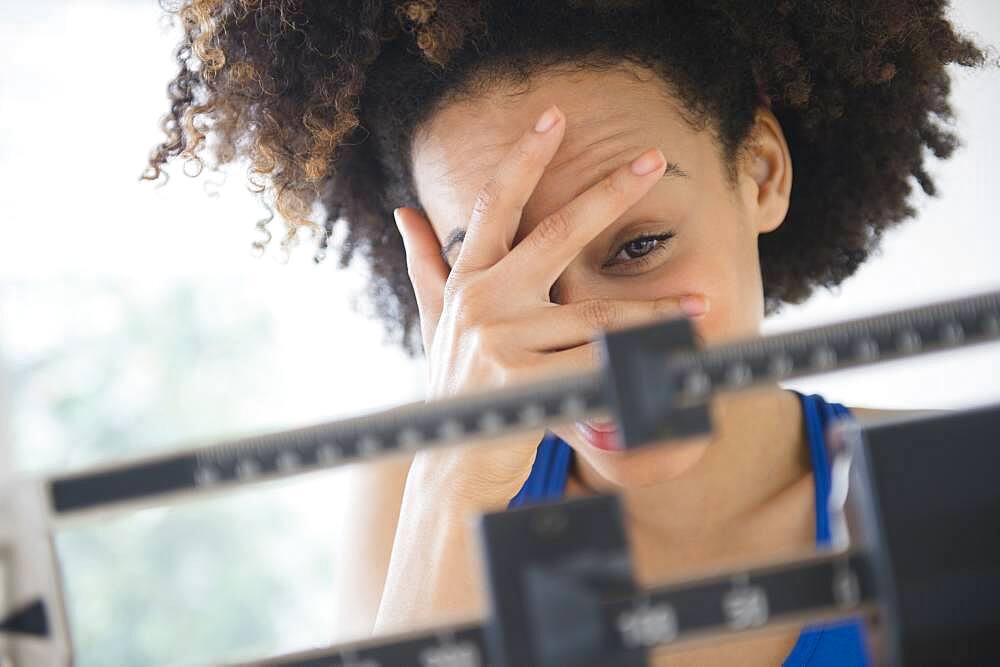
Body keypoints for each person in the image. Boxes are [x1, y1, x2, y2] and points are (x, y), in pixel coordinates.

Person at [145, 1, 985, 664]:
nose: (586, 348)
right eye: (505, 278)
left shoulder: (949, 487)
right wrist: (455, 478)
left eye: (640, 246)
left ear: (760, 172)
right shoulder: (417, 494)